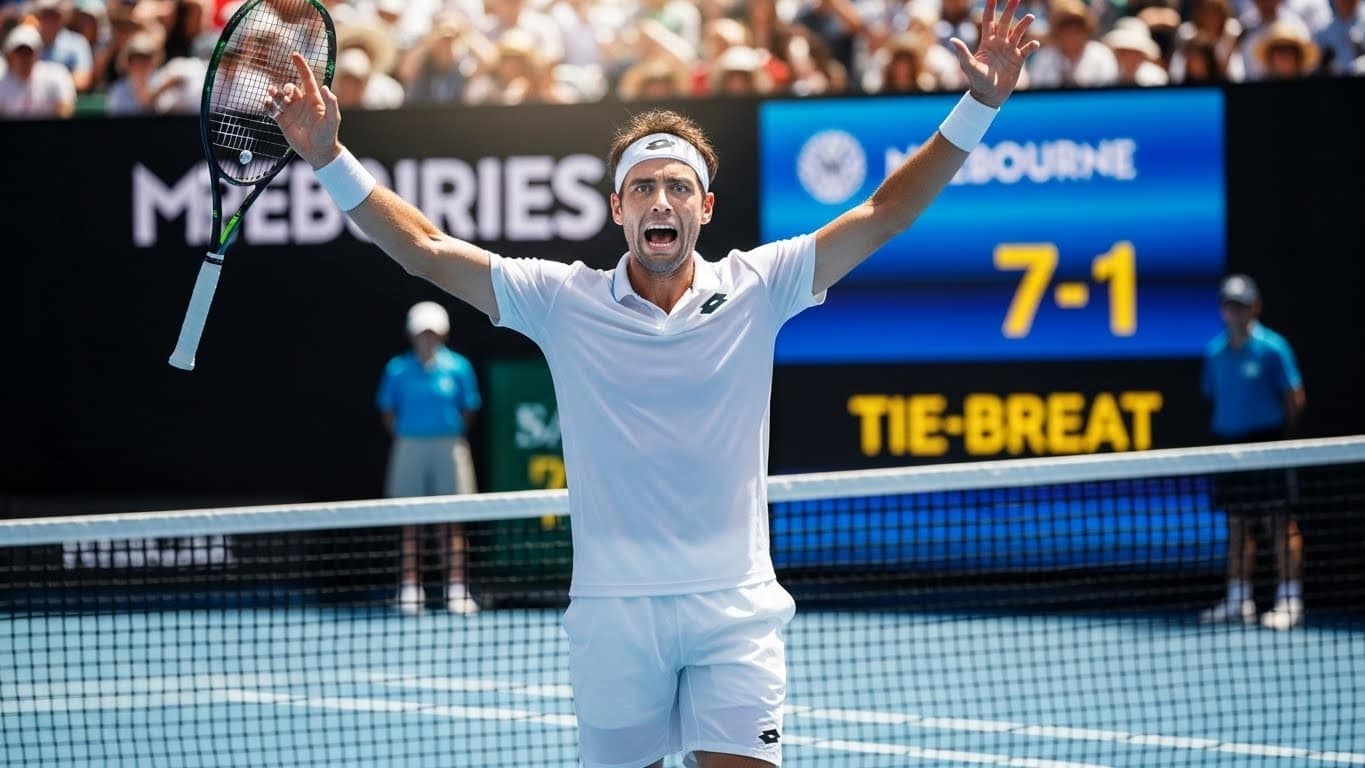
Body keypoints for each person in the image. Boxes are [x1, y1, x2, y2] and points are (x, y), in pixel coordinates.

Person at [265, 0, 1037, 761]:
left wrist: (978, 105)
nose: (658, 200)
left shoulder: (761, 283)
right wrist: (331, 159)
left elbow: (882, 212)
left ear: (703, 206)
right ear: (617, 208)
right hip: (612, 621)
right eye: (642, 188)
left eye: (675, 187)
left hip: (734, 610)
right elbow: (427, 249)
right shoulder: (560, 299)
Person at [1198, 274, 1307, 631]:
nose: (1235, 311)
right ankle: (1238, 600)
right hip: (1230, 447)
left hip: (1268, 445)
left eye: (1241, 305)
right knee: (1236, 525)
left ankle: (1289, 601)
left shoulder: (1274, 348)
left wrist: (1282, 440)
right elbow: (1216, 397)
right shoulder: (1214, 353)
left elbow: (1295, 398)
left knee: (1279, 524)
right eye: (1230, 305)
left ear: (1255, 307)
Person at [377, 301, 483, 616]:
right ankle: (410, 590)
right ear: (412, 334)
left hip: (449, 447)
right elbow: (387, 410)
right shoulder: (397, 369)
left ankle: (456, 590)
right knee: (410, 523)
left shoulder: (459, 367)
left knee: (451, 524)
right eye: (422, 333)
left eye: (432, 333)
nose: (427, 339)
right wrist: (409, 433)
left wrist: (447, 431)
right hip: (409, 446)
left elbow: (469, 408)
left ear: (443, 334)